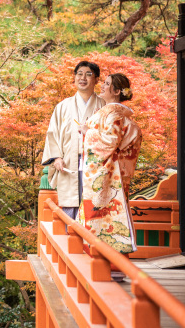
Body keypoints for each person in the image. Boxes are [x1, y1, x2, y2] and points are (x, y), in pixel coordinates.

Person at [78, 73, 142, 258]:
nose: (102, 86)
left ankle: (107, 262)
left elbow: (111, 141)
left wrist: (87, 132)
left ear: (116, 91)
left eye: (107, 84)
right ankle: (109, 260)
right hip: (111, 171)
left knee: (105, 215)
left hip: (108, 173)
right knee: (107, 215)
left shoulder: (113, 113)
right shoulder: (114, 112)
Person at [41, 61, 106, 219]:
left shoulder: (104, 105)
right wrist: (56, 157)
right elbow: (52, 134)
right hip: (69, 162)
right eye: (79, 74)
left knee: (93, 205)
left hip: (95, 162)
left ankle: (89, 242)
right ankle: (69, 240)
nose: (83, 78)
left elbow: (110, 136)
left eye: (88, 74)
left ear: (96, 79)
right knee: (70, 205)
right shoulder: (63, 106)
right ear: (75, 77)